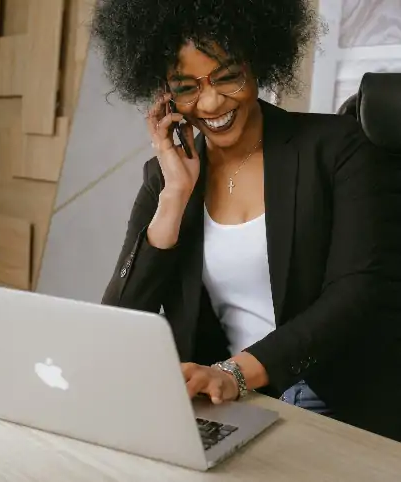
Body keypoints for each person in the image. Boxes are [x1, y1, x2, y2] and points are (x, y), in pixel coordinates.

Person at [92, 0, 401, 442]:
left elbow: (357, 292)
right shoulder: (166, 177)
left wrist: (235, 373)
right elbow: (122, 317)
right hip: (228, 404)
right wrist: (175, 195)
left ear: (257, 63)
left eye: (227, 76)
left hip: (336, 396)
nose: (212, 101)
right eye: (187, 87)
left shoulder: (338, 149)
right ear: (166, 95)